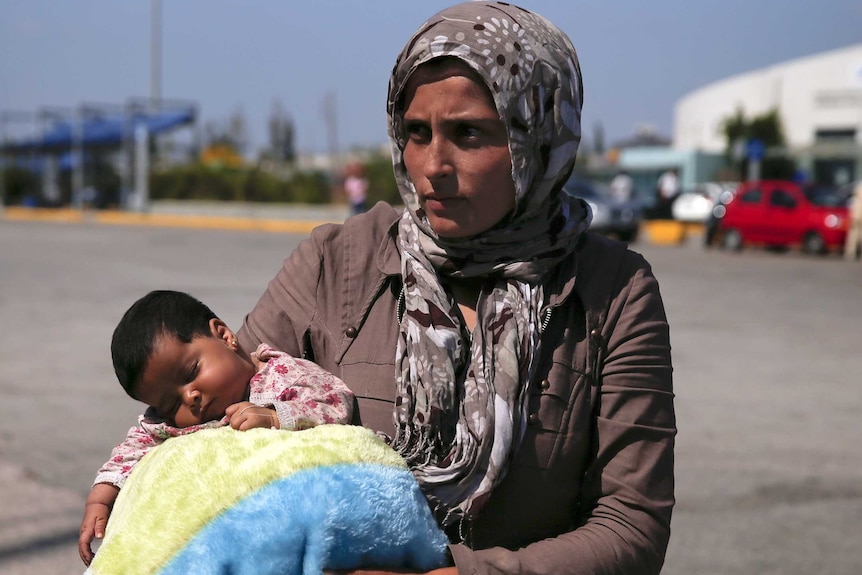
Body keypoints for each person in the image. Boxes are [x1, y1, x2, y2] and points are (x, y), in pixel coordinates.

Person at [238, 2, 676, 574]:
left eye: (468, 133)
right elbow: (212, 411)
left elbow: (631, 524)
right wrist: (124, 472)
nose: (432, 166)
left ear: (538, 137)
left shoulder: (614, 290)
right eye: (416, 133)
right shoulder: (338, 260)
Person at [78, 290, 355, 566]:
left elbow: (335, 402)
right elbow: (130, 451)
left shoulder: (282, 375)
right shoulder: (168, 423)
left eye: (191, 373)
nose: (190, 397)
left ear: (224, 336)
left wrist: (275, 417)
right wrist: (99, 502)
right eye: (172, 403)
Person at [844, 180, 862, 261]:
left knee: (856, 237)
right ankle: (850, 253)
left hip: (857, 219)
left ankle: (851, 253)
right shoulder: (855, 200)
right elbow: (851, 211)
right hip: (855, 220)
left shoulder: (854, 200)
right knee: (853, 237)